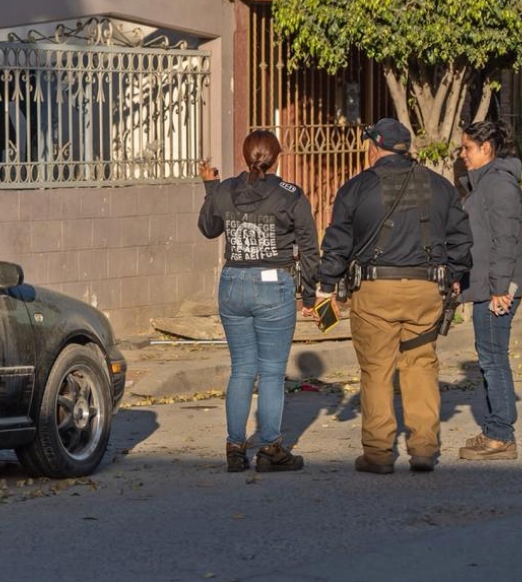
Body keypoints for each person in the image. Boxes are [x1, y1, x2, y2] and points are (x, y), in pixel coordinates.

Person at [317, 118, 472, 474]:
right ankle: (423, 448)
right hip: (426, 289)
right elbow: (461, 240)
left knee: (376, 369)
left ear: (375, 147)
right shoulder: (440, 186)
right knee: (421, 365)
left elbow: (338, 243)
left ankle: (378, 453)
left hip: (374, 291)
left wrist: (326, 286)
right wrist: (455, 276)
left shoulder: (356, 188)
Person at [198, 130, 320, 473]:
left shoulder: (225, 190)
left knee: (241, 369)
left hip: (233, 282)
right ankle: (270, 448)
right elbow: (309, 248)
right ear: (277, 158)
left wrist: (210, 187)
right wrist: (309, 294)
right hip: (273, 286)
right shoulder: (290, 196)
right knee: (269, 372)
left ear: (244, 156)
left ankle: (235, 447)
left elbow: (208, 228)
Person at [455, 120, 522, 461]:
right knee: (489, 358)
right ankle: (494, 428)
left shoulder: (499, 184)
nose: (462, 155)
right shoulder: (485, 183)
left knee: (493, 360)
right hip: (487, 284)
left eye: (467, 148)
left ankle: (501, 435)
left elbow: (507, 238)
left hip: (496, 288)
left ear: (486, 149)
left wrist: (501, 287)